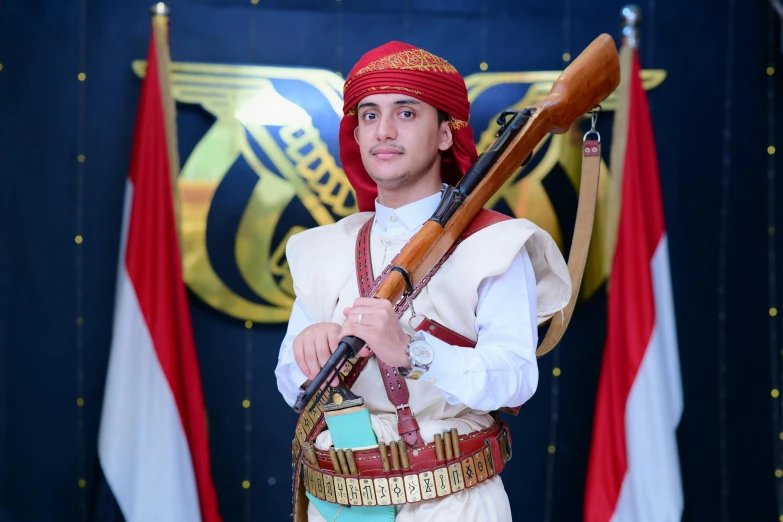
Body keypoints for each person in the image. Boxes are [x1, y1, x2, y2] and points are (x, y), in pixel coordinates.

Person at [275, 41, 571, 521]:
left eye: (406, 113)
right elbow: (292, 387)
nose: (383, 131)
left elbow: (516, 380)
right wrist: (310, 351)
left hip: (453, 503)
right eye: (369, 115)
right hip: (341, 504)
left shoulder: (496, 242)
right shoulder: (323, 247)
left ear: (444, 135)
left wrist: (413, 352)